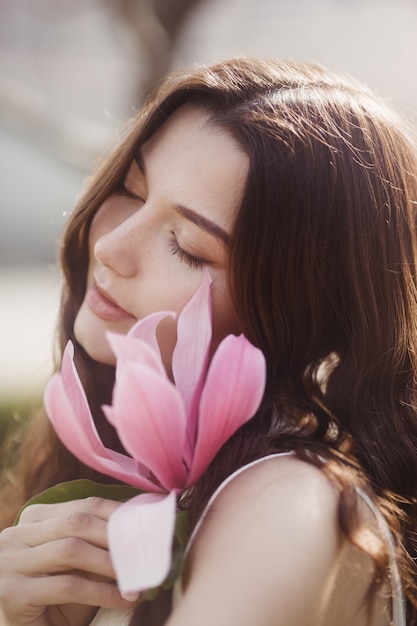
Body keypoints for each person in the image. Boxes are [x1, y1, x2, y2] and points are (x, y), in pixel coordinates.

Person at [0, 56, 417, 626]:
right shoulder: (171, 490)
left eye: (188, 246)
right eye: (131, 190)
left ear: (297, 312)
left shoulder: (287, 500)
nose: (111, 247)